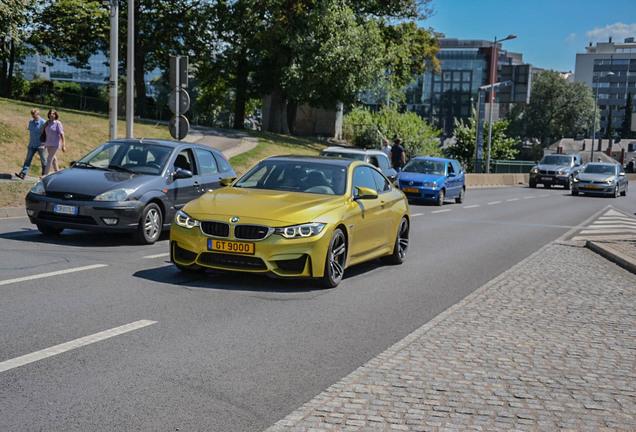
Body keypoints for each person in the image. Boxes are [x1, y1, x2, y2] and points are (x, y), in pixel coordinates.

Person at [15, 109, 47, 179]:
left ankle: (44, 175)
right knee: (28, 160)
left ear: (39, 114)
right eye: (33, 115)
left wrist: (43, 145)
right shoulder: (31, 122)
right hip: (32, 144)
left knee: (43, 161)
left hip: (40, 145)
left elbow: (46, 135)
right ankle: (23, 173)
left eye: (35, 116)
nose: (34, 117)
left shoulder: (43, 122)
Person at [41, 109, 66, 177]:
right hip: (48, 143)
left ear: (55, 115)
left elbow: (62, 134)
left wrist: (63, 145)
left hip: (55, 144)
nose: (52, 115)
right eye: (50, 113)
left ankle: (45, 174)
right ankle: (57, 173)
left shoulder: (58, 123)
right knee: (53, 159)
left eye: (53, 114)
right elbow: (42, 131)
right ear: (48, 115)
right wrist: (44, 126)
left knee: (49, 158)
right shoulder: (47, 122)